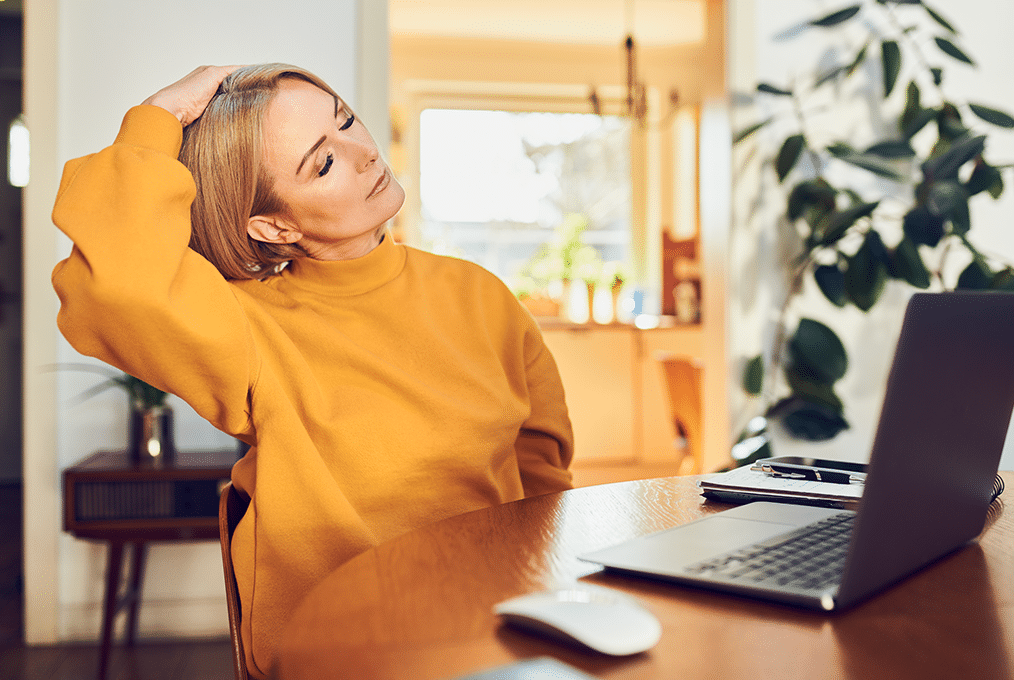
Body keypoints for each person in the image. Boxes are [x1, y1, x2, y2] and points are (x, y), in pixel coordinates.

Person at [51, 64, 574, 679]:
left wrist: (543, 608)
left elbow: (542, 466)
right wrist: (160, 113)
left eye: (346, 119)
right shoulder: (248, 327)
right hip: (339, 649)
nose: (363, 153)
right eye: (322, 164)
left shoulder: (480, 295)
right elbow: (114, 285)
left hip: (493, 629)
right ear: (275, 226)